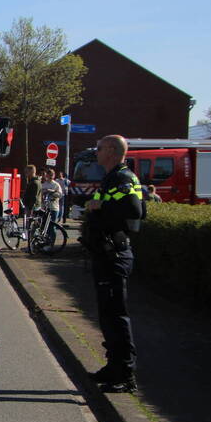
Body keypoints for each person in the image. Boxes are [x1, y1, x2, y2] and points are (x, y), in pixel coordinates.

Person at [84, 135, 143, 393]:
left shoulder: (123, 177)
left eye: (98, 148)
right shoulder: (112, 177)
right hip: (105, 255)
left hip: (114, 255)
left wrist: (100, 206)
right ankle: (113, 366)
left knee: (116, 315)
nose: (95, 153)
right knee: (107, 315)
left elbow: (136, 210)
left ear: (110, 150)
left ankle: (125, 374)